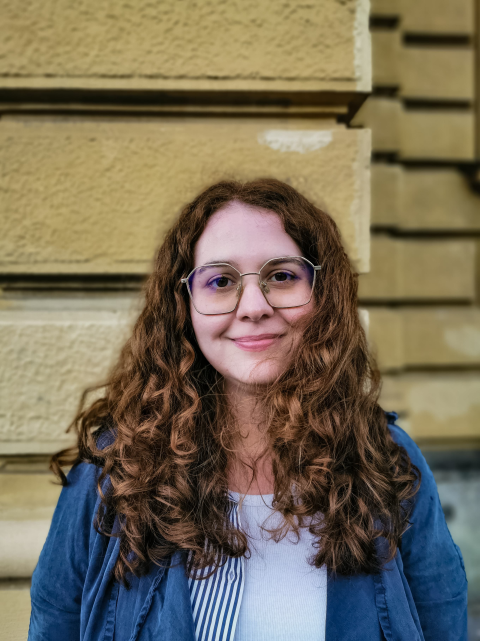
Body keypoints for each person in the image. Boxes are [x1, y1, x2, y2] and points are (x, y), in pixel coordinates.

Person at [28, 179, 468, 641]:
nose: (254, 307)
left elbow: (444, 622)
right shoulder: (115, 472)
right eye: (221, 281)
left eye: (282, 276)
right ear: (183, 305)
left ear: (322, 294)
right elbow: (54, 626)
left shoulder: (386, 462)